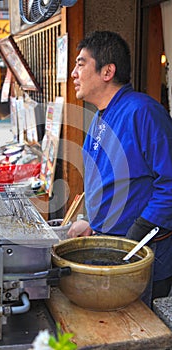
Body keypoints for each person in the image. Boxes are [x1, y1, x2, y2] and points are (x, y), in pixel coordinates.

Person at [68, 30, 172, 306]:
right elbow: (110, 182)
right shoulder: (100, 116)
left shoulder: (143, 111)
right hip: (110, 247)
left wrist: (135, 235)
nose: (73, 74)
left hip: (142, 252)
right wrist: (91, 222)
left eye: (80, 64)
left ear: (107, 71)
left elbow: (169, 183)